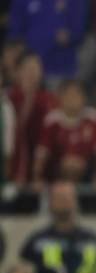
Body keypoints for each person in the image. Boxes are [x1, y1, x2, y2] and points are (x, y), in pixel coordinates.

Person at [20, 181, 96, 273]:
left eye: (66, 196)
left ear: (75, 201)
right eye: (58, 197)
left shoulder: (93, 240)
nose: (63, 201)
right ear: (49, 202)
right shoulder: (36, 241)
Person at [32, 80, 96, 191]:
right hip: (56, 174)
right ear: (60, 98)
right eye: (69, 95)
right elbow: (41, 154)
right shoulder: (52, 120)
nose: (73, 99)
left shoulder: (93, 118)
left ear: (84, 98)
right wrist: (37, 178)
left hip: (87, 173)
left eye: (77, 95)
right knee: (67, 165)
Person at [8, 0, 88, 84]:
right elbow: (14, 34)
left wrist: (69, 36)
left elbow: (79, 32)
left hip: (61, 68)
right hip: (29, 69)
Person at [7, 52, 55, 186]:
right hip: (12, 160)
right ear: (17, 72)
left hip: (42, 160)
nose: (33, 73)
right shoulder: (8, 98)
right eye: (29, 68)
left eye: (37, 68)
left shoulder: (48, 99)